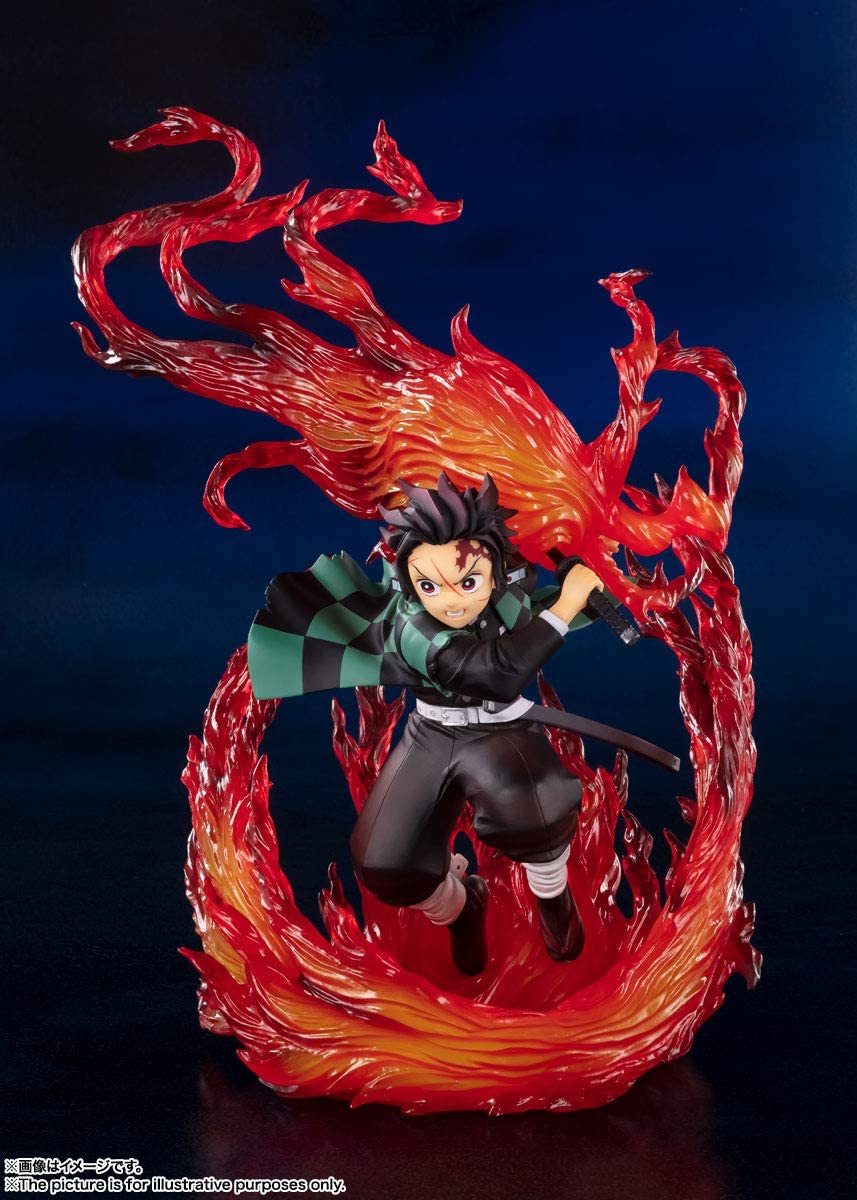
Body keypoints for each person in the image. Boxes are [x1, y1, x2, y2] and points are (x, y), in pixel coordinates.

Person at [247, 473, 605, 975]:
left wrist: (590, 580)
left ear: (496, 572)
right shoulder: (411, 624)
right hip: (434, 733)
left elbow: (563, 606)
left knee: (536, 807)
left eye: (469, 582)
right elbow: (494, 673)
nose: (450, 601)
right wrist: (568, 605)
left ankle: (552, 896)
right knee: (385, 861)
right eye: (430, 585)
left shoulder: (511, 597)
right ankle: (462, 906)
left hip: (500, 734)